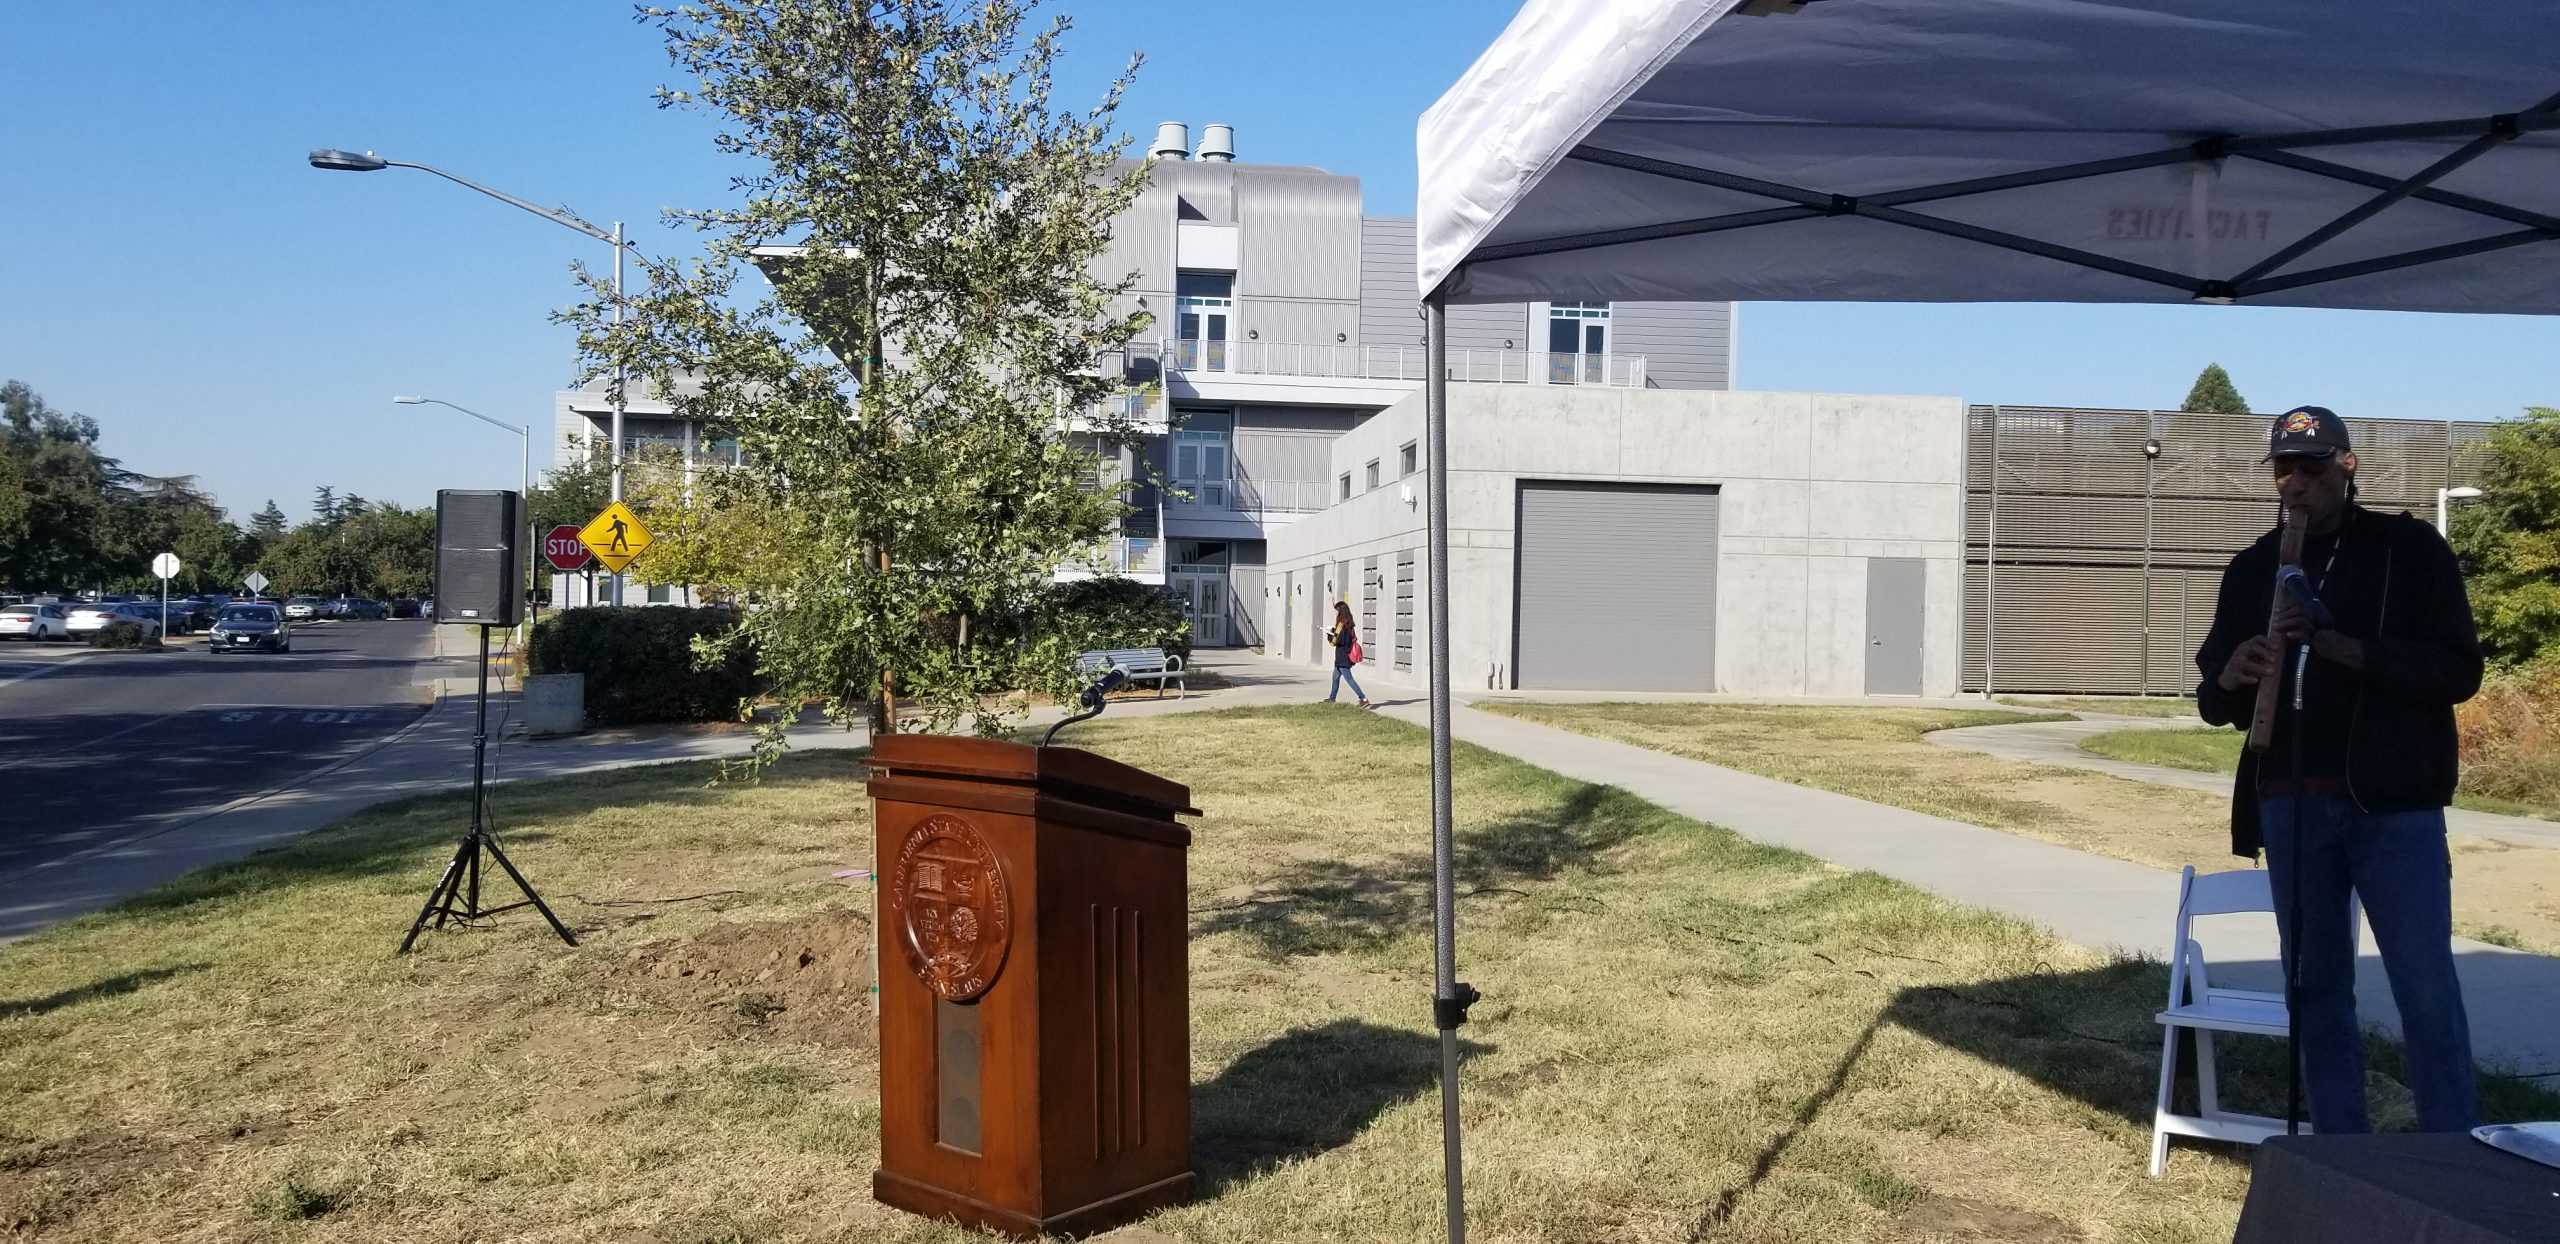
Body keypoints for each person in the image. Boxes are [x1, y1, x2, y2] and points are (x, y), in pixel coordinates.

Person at [2193, 405, 2483, 1135]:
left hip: (2394, 806)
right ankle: (2340, 1149)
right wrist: (2234, 674)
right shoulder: (2254, 565)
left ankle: (2452, 1152)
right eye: (2284, 468)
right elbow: (2210, 700)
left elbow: (2458, 670)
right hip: (2291, 801)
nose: (2296, 482)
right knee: (2315, 987)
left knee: (2423, 986)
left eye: (2312, 467)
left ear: (2347, 467)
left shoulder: (2407, 550)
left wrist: (2343, 648)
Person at [1325, 600, 1373, 708]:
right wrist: (1334, 631)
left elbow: (1337, 641)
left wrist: (1329, 635)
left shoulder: (1341, 624)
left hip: (1342, 657)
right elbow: (1343, 637)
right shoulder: (1349, 623)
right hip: (1343, 655)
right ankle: (1332, 698)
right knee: (1335, 678)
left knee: (1349, 679)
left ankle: (1363, 698)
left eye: (1337, 611)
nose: (1337, 613)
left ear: (1341, 611)